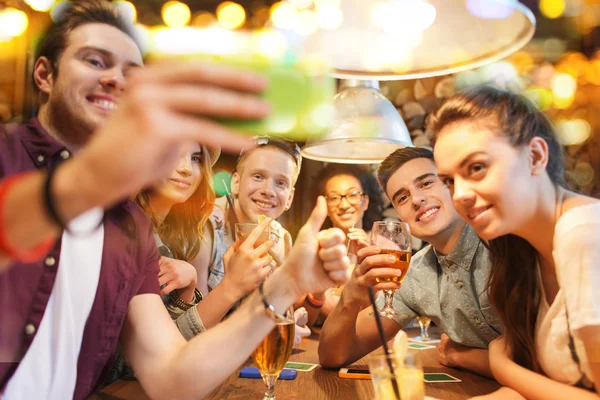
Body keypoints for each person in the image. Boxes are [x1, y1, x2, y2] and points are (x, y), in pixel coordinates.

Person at [0, 2, 350, 399]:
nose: (116, 79)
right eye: (95, 61)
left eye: (131, 73)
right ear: (44, 74)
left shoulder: (129, 225)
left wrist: (286, 285)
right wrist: (91, 178)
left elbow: (171, 379)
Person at [430, 86, 599, 399]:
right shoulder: (526, 249)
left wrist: (502, 366)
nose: (460, 195)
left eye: (476, 168)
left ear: (535, 156)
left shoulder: (583, 233)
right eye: (450, 181)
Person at [318, 147, 502, 378]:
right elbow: (332, 357)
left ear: (451, 184)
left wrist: (460, 355)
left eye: (426, 183)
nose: (416, 200)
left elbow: (540, 361)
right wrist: (349, 300)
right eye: (402, 197)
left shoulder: (503, 242)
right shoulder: (413, 275)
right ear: (399, 215)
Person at [135, 144, 272, 338]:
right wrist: (232, 285)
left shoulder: (177, 233)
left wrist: (187, 290)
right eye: (174, 153)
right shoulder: (128, 233)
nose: (186, 169)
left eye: (196, 159)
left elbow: (172, 336)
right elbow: (157, 353)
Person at [305, 164, 384, 323]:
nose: (344, 205)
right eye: (334, 197)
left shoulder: (386, 247)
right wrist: (318, 293)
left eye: (352, 195)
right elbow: (305, 319)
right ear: (325, 205)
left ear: (366, 201)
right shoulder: (314, 247)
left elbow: (397, 314)